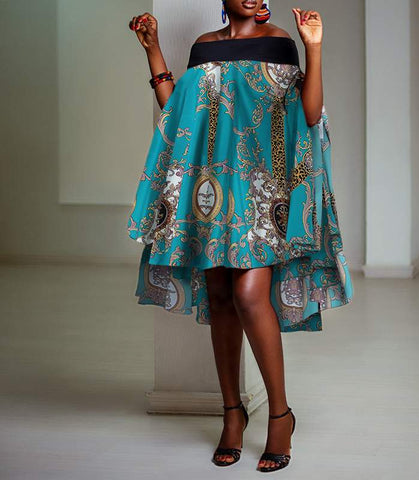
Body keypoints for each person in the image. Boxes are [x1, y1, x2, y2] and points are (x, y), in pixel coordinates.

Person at [127, 0, 353, 472]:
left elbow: (309, 114)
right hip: (212, 187)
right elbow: (180, 114)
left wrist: (314, 50)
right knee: (219, 295)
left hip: (261, 188)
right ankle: (232, 414)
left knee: (250, 295)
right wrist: (153, 50)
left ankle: (280, 415)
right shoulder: (204, 46)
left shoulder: (279, 42)